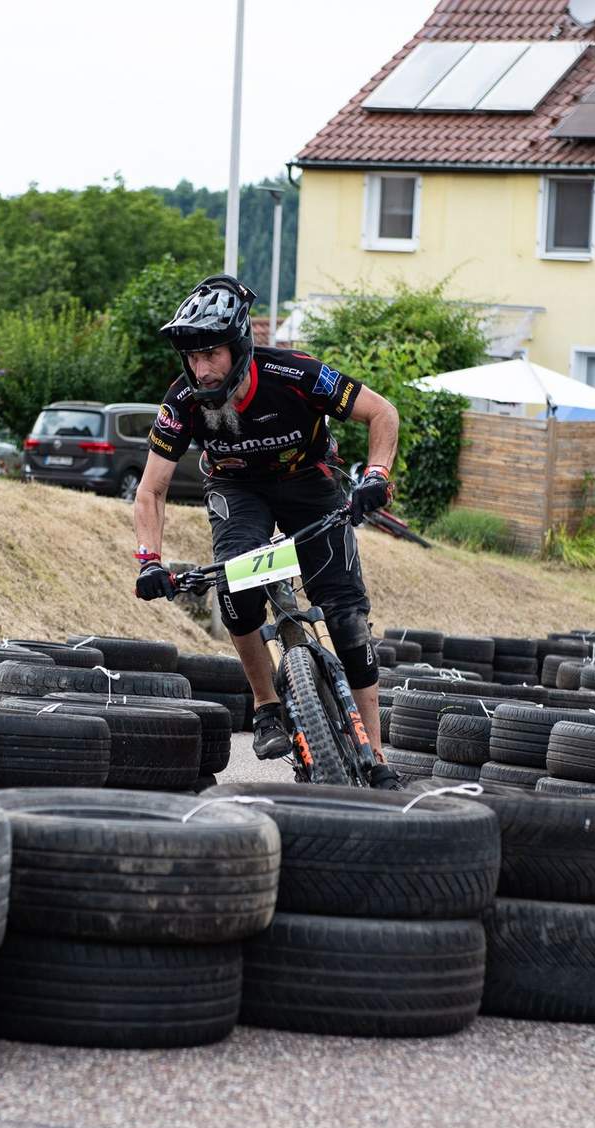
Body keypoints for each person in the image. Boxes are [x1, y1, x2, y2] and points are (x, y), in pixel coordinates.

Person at [130, 274, 402, 788]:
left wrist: (376, 475)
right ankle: (267, 705)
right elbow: (151, 490)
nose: (201, 369)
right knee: (238, 588)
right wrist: (150, 560)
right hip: (237, 490)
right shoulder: (183, 401)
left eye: (211, 354)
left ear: (238, 348)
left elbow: (381, 412)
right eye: (192, 357)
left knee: (347, 619)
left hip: (309, 482)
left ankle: (378, 753)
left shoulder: (294, 373)